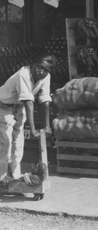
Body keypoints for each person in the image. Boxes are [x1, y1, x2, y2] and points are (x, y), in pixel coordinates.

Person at [0, 54, 55, 188]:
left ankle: (14, 175)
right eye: (39, 67)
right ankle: (1, 178)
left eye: (45, 70)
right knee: (5, 142)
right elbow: (29, 102)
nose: (41, 72)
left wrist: (47, 126)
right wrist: (33, 129)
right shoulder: (23, 74)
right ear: (32, 64)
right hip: (3, 106)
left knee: (18, 141)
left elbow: (45, 100)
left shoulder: (45, 76)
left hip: (19, 107)